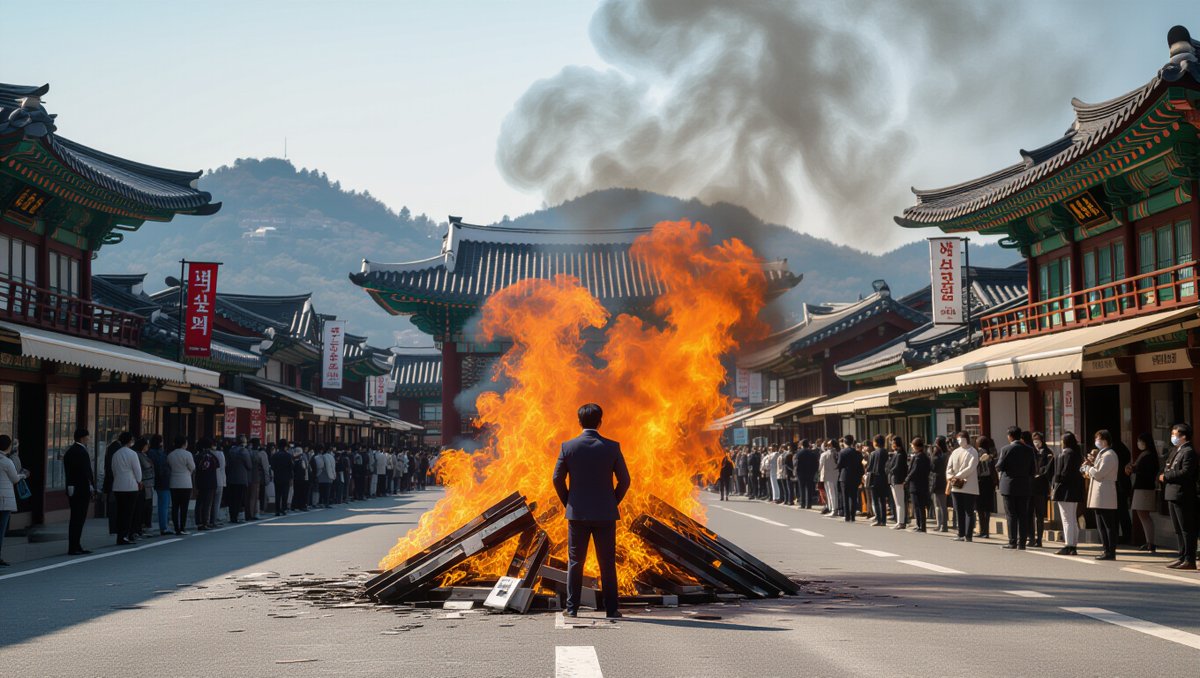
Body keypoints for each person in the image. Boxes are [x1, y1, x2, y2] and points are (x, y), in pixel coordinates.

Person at [552, 403, 630, 619]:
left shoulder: (568, 447)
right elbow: (625, 480)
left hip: (577, 514)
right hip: (605, 514)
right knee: (607, 562)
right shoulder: (612, 447)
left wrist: (569, 501)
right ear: (600, 421)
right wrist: (612, 501)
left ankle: (572, 608)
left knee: (576, 561)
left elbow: (557, 478)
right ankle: (612, 609)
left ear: (579, 422)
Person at [1161, 422, 1197, 570]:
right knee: (1177, 528)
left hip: (1183, 494)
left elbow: (1186, 473)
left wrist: (1167, 476)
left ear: (1183, 436)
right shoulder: (1177, 450)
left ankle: (1189, 559)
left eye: (1175, 435)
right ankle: (1181, 556)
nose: (1173, 437)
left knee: (1186, 528)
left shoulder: (1188, 451)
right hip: (1172, 493)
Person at [1081, 429, 1119, 561]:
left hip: (1105, 492)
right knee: (1101, 524)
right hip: (1100, 492)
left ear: (1105, 440)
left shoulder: (1109, 455)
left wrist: (1088, 468)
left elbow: (1099, 473)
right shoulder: (1102, 454)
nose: (1097, 441)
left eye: (1099, 439)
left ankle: (1110, 551)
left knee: (1107, 524)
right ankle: (1106, 549)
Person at [997, 426, 1036, 550]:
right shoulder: (1029, 450)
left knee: (1011, 515)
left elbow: (999, 466)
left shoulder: (1006, 449)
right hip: (1024, 485)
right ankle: (1022, 543)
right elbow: (1033, 470)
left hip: (1008, 485)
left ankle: (1012, 541)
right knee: (1023, 514)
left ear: (1010, 436)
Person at [1052, 432, 1085, 556]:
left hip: (1065, 490)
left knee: (1067, 519)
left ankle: (1069, 545)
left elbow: (1063, 473)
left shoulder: (1066, 453)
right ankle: (1073, 545)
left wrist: (1056, 482)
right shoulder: (1076, 453)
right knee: (1072, 519)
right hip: (1074, 491)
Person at [63, 428, 95, 555]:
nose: (88, 439)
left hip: (72, 488)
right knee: (79, 518)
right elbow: (86, 471)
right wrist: (91, 485)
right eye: (87, 437)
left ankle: (75, 545)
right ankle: (74, 546)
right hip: (81, 489)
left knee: (75, 518)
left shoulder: (70, 451)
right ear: (82, 438)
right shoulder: (81, 451)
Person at [0, 435, 31, 566]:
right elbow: (15, 479)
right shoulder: (6, 462)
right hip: (4, 499)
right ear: (8, 446)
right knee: (1, 529)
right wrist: (24, 475)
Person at [946, 432, 979, 542]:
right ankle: (961, 533)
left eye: (962, 438)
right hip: (955, 485)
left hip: (969, 485)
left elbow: (971, 467)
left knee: (969, 510)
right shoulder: (955, 452)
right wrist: (950, 476)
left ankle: (968, 535)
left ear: (967, 439)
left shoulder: (973, 451)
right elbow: (949, 466)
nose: (960, 441)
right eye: (958, 439)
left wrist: (957, 476)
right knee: (958, 509)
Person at [110, 436, 143, 545]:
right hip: (130, 485)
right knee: (129, 512)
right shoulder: (132, 454)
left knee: (120, 511)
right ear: (130, 441)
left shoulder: (116, 454)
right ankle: (125, 534)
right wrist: (139, 480)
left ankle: (120, 534)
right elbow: (137, 470)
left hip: (118, 485)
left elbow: (113, 469)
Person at [1130, 432, 1160, 553]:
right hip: (1143, 487)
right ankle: (1149, 541)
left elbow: (1142, 470)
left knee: (1144, 515)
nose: (1139, 443)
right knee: (1142, 515)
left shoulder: (1148, 455)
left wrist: (1133, 469)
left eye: (1140, 441)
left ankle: (1151, 542)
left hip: (1144, 488)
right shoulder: (1148, 454)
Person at [1030, 432, 1054, 548]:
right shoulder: (1030, 452)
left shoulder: (1048, 453)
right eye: (1034, 440)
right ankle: (1031, 537)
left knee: (1039, 515)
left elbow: (1049, 469)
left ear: (1042, 440)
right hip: (1030, 486)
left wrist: (1040, 473)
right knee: (1030, 513)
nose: (1036, 442)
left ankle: (1039, 539)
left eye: (1038, 440)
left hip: (1041, 487)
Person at [167, 437, 195, 535]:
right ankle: (182, 527)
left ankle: (176, 528)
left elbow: (169, 466)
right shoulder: (187, 454)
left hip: (174, 482)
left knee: (175, 506)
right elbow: (192, 467)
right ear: (184, 444)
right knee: (184, 507)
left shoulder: (170, 455)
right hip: (185, 482)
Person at [148, 435, 172, 536]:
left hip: (153, 480)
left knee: (160, 504)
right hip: (163, 480)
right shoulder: (160, 454)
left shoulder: (149, 453)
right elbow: (164, 467)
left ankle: (162, 525)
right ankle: (164, 527)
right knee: (164, 504)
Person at [906, 437, 931, 533]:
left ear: (916, 446)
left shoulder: (918, 457)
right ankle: (920, 525)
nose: (912, 447)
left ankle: (920, 525)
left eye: (912, 445)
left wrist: (907, 479)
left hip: (916, 485)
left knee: (918, 506)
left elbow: (914, 471)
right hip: (923, 484)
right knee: (920, 506)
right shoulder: (924, 456)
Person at [194, 438, 220, 531]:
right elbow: (218, 465)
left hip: (200, 481)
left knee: (199, 502)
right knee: (207, 503)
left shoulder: (198, 456)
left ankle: (199, 522)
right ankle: (205, 522)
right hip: (211, 482)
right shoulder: (212, 456)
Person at [836, 435, 863, 522]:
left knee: (845, 496)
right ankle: (853, 516)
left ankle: (847, 515)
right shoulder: (858, 453)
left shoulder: (842, 452)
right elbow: (860, 466)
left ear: (844, 442)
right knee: (853, 496)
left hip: (844, 476)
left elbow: (839, 464)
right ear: (852, 442)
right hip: (855, 476)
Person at [225, 437, 252, 524]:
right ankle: (236, 517)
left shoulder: (231, 451)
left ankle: (232, 516)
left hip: (231, 477)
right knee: (239, 498)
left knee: (232, 498)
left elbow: (228, 465)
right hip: (241, 478)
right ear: (244, 442)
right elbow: (249, 465)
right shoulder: (244, 451)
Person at [975, 435, 997, 538]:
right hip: (989, 482)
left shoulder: (977, 453)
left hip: (979, 481)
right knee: (987, 507)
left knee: (980, 507)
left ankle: (982, 530)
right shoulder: (991, 454)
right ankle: (986, 531)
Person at [866, 435, 890, 527]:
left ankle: (878, 519)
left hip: (874, 478)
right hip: (884, 478)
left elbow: (869, 467)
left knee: (876, 500)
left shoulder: (873, 454)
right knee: (883, 500)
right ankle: (884, 520)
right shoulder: (885, 452)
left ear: (875, 442)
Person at [886, 436, 908, 529]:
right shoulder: (896, 454)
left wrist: (889, 470)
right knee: (897, 502)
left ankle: (901, 522)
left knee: (899, 502)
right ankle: (899, 521)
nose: (891, 445)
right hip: (894, 480)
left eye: (892, 443)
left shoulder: (900, 454)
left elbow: (895, 468)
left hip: (898, 480)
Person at [931, 436, 950, 532]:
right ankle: (940, 525)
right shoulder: (944, 454)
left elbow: (934, 465)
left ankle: (943, 525)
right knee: (938, 505)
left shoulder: (942, 455)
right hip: (940, 480)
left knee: (941, 505)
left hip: (940, 480)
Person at [271, 440, 293, 516]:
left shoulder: (274, 455)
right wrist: (291, 478)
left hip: (277, 476)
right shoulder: (288, 456)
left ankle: (277, 510)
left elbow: (272, 467)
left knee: (277, 494)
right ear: (285, 446)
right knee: (285, 494)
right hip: (286, 477)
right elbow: (291, 468)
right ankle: (283, 509)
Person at [819, 441, 838, 516]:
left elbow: (820, 466)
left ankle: (833, 509)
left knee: (830, 493)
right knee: (835, 493)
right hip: (836, 475)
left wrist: (818, 472)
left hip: (827, 476)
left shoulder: (824, 454)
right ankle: (834, 508)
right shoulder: (837, 453)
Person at [291, 443, 310, 512]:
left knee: (296, 493)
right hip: (302, 479)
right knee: (302, 493)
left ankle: (294, 506)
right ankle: (301, 506)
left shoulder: (293, 460)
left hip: (296, 479)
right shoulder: (302, 460)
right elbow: (305, 469)